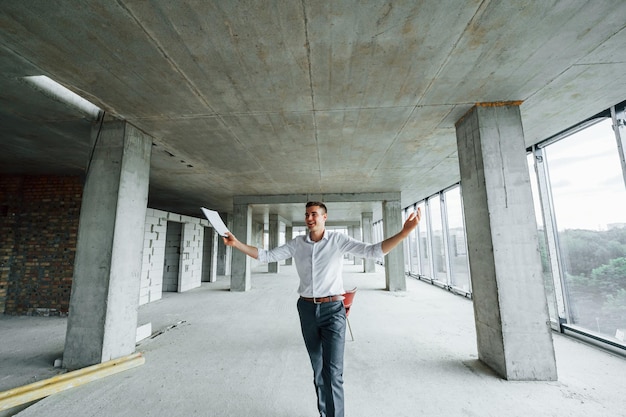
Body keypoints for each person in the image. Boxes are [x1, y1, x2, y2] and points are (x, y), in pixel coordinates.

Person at [223, 201, 421, 417]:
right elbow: (266, 255)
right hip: (306, 310)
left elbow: (373, 251)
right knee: (318, 370)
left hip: (333, 310)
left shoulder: (338, 240)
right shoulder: (298, 243)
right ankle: (325, 413)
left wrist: (404, 232)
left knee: (333, 372)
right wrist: (237, 244)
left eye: (314, 214)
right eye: (307, 214)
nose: (309, 218)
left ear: (324, 217)